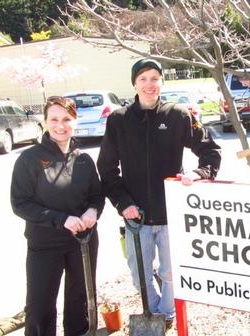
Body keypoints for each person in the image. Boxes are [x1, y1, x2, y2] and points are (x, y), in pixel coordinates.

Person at [97, 58, 221, 329]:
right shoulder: (119, 120)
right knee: (138, 274)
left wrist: (199, 174)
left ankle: (167, 314)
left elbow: (210, 151)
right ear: (134, 83)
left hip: (171, 213)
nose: (149, 84)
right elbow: (106, 169)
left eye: (154, 78)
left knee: (170, 271)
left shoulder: (178, 115)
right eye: (143, 79)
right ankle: (150, 312)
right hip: (136, 216)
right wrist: (124, 203)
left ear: (162, 82)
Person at [10, 96, 105, 336]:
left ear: (75, 120)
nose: (60, 125)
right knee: (40, 305)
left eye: (66, 119)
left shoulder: (83, 159)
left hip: (82, 242)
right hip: (44, 244)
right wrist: (62, 219)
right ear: (44, 122)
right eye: (54, 119)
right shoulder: (30, 159)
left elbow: (97, 195)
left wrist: (93, 210)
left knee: (80, 298)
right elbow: (20, 204)